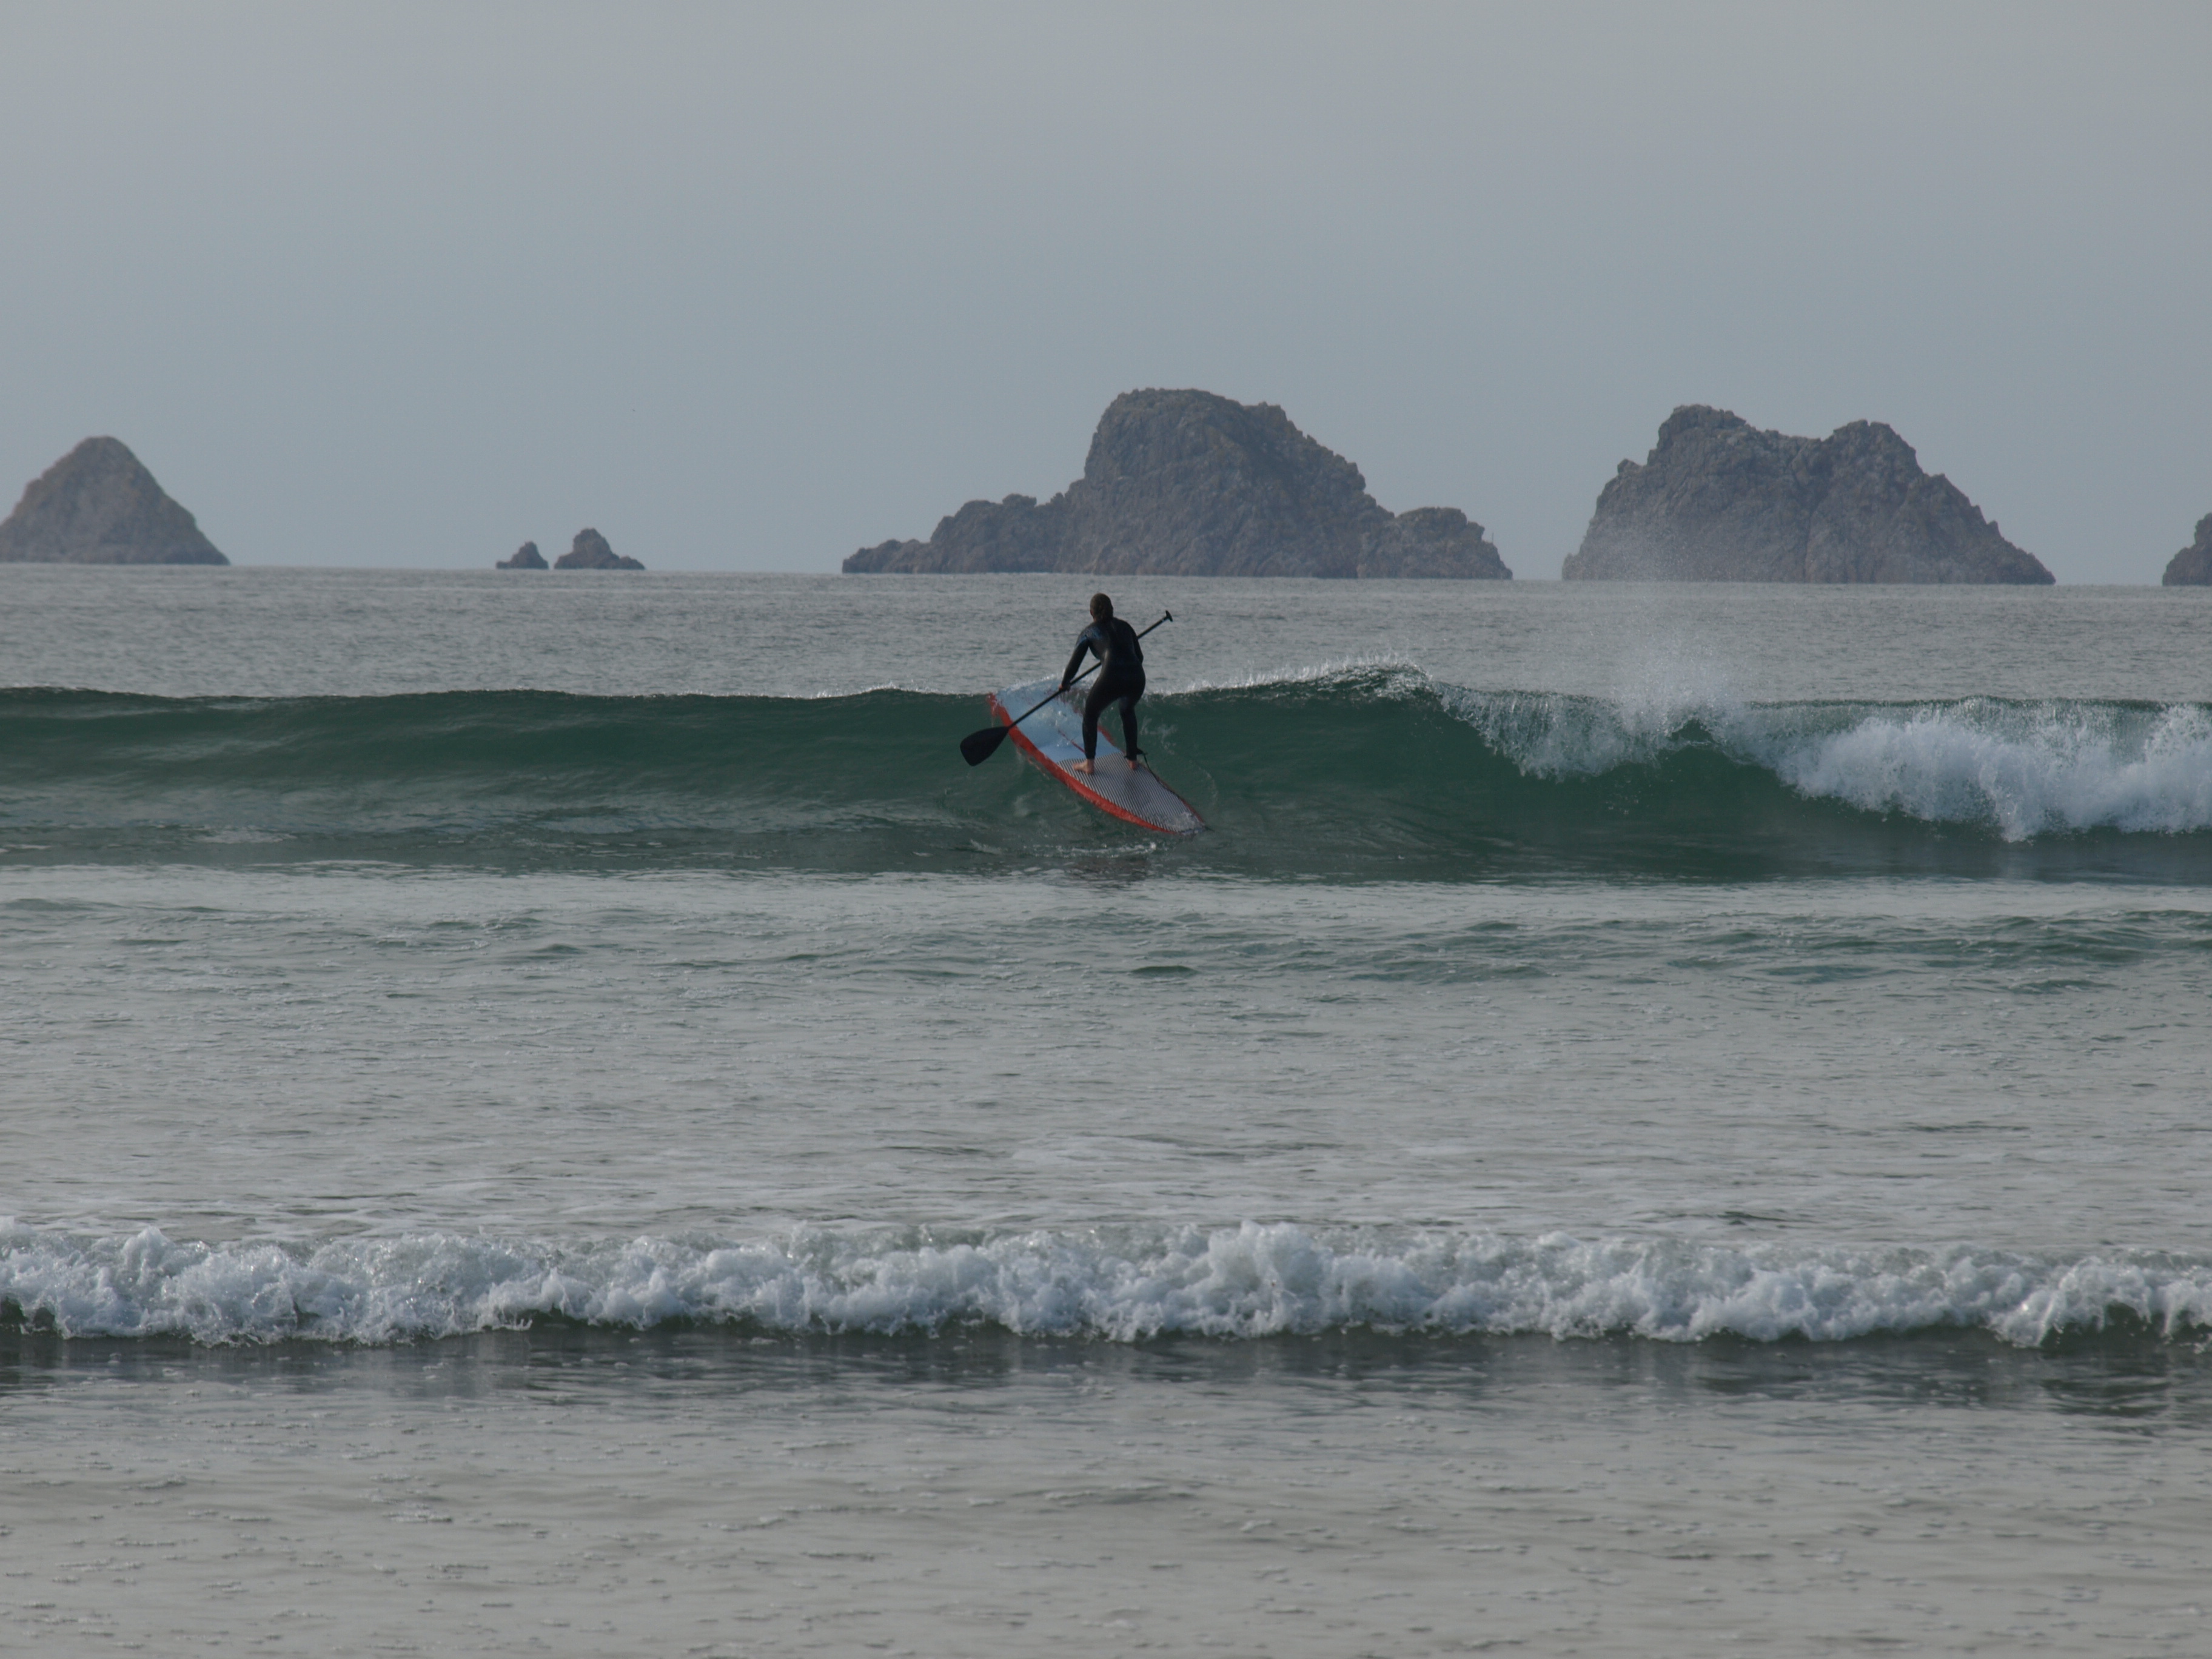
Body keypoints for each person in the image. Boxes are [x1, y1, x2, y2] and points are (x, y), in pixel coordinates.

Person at [1059, 592, 1145, 774]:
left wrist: (1065, 683)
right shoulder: (1126, 627)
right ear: (1112, 609)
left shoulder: (1089, 632)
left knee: (1090, 714)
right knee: (1127, 709)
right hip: (1137, 677)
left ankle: (1089, 764)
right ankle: (1132, 760)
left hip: (1112, 676)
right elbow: (1140, 657)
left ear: (1091, 613)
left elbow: (1074, 665)